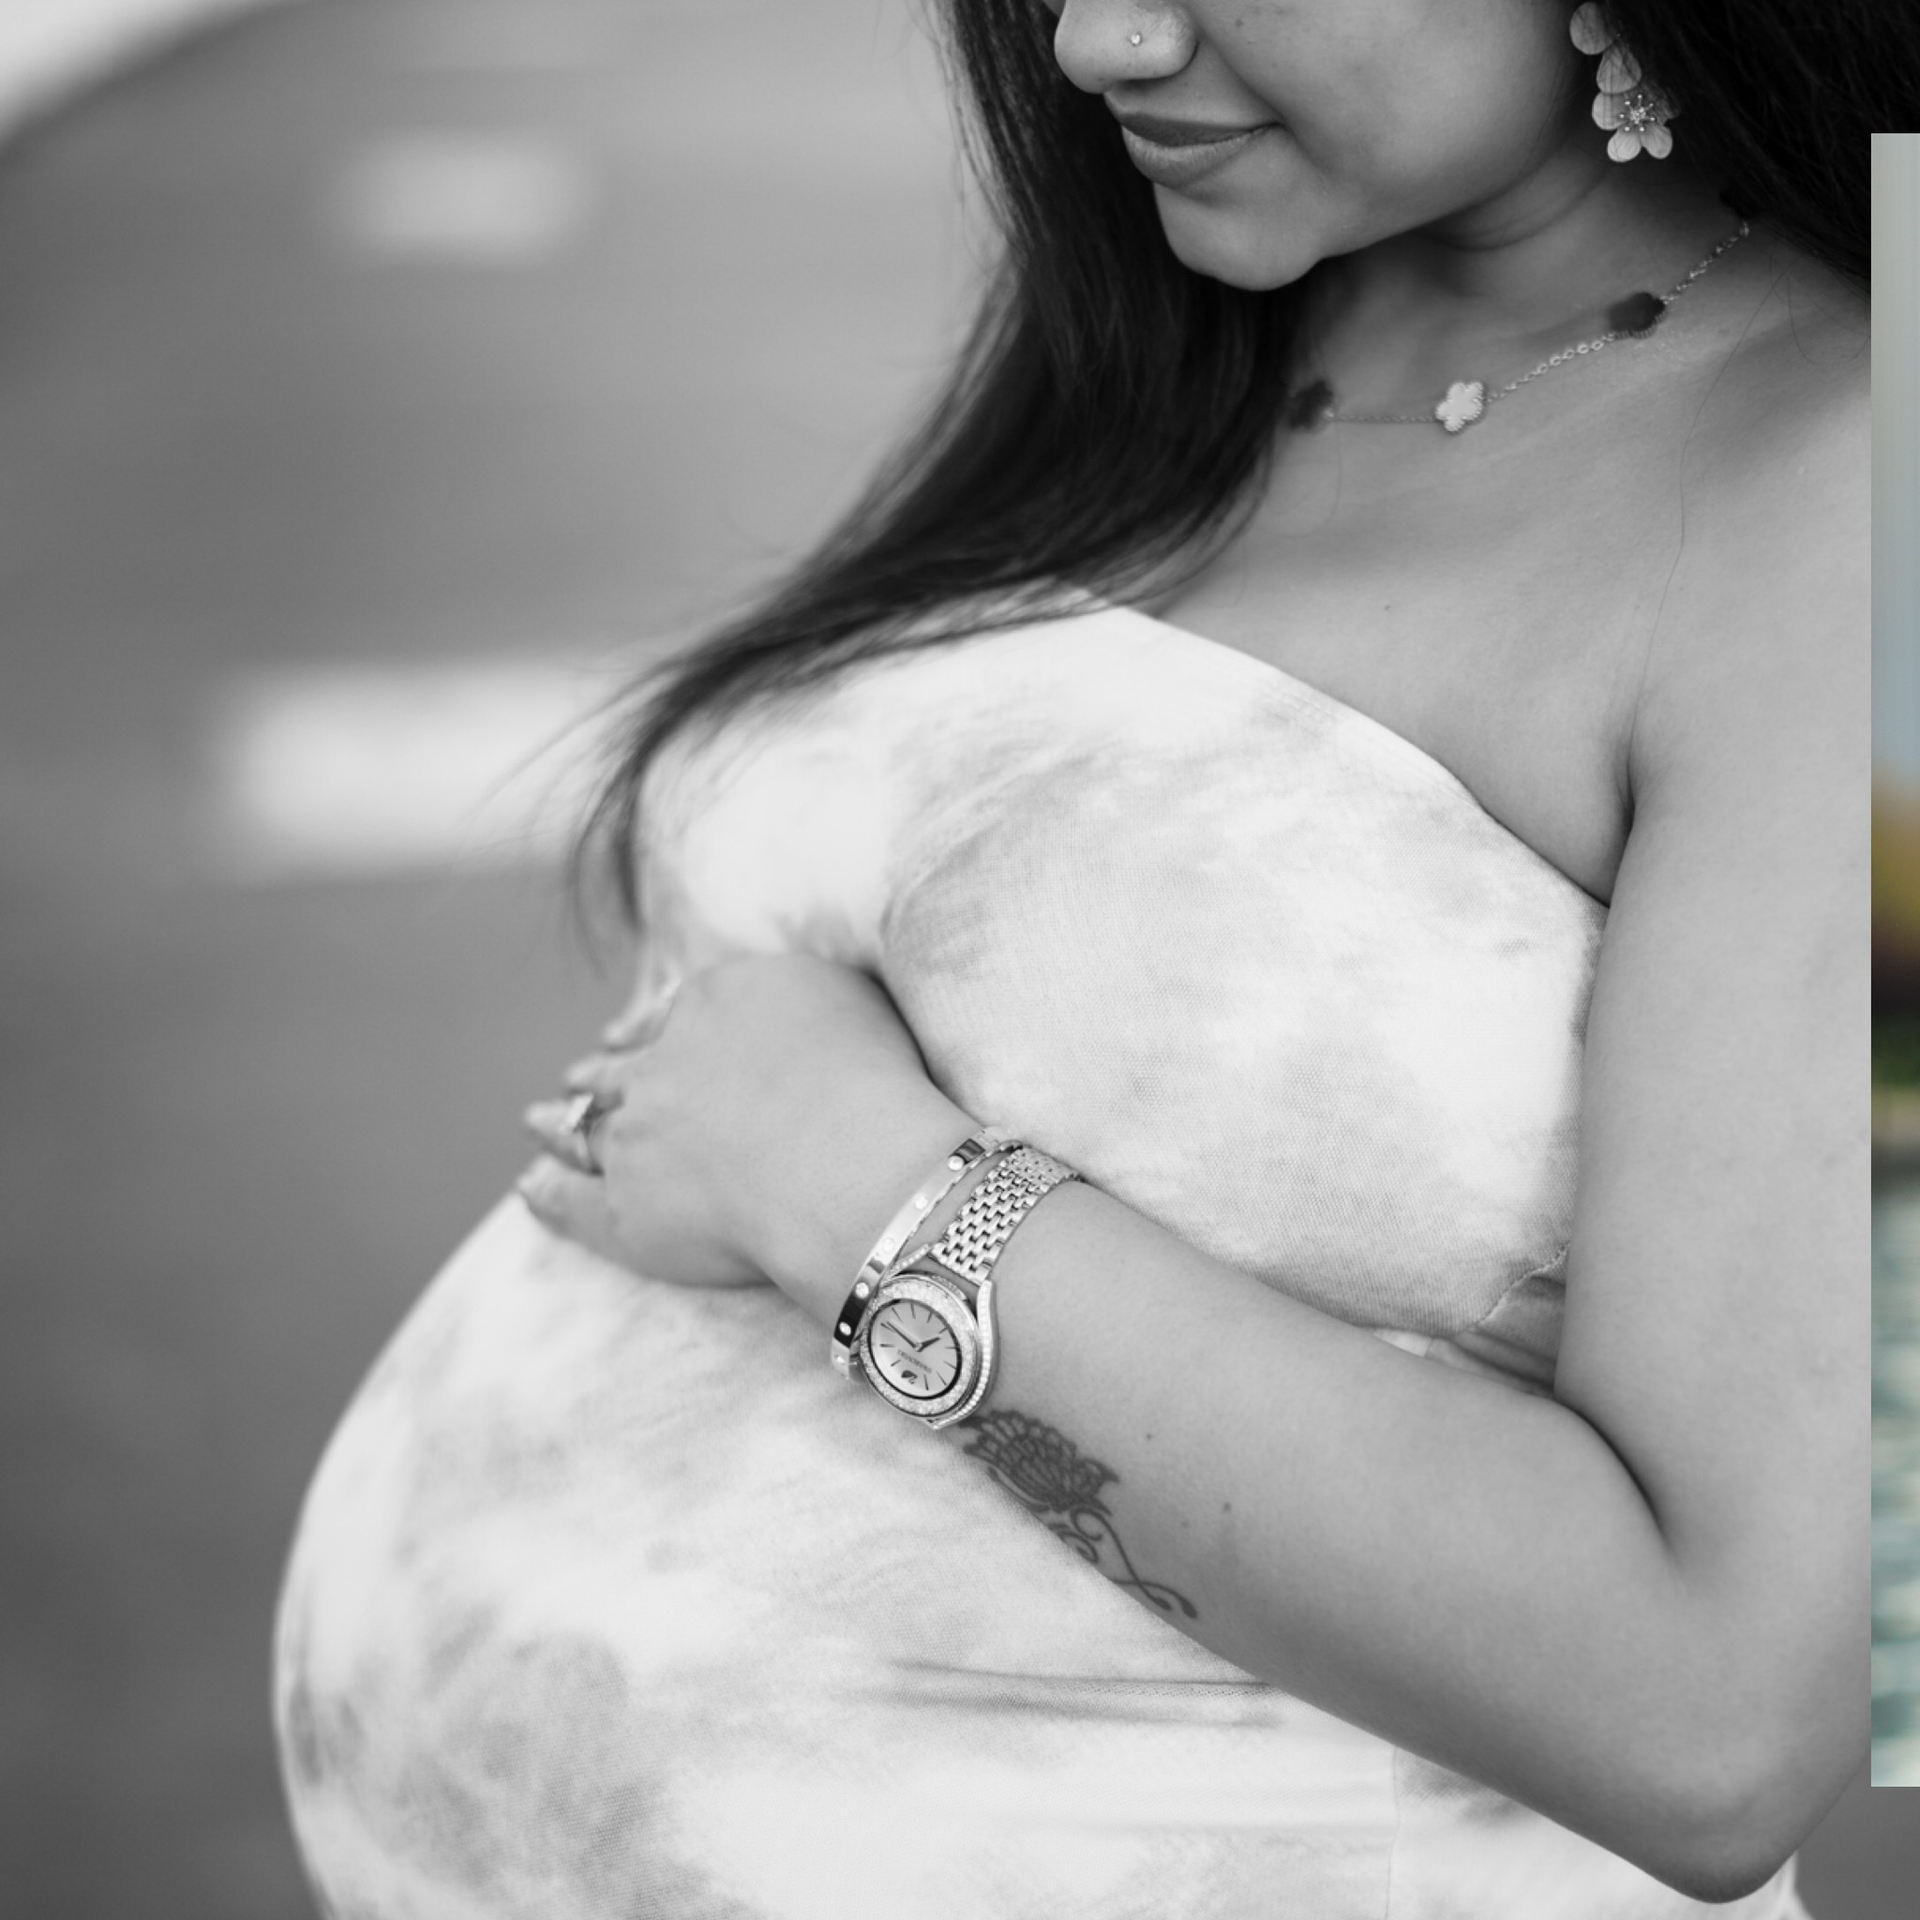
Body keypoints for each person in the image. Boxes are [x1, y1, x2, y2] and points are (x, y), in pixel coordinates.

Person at [275, 2, 1894, 1914]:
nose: (1095, 39)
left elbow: (1711, 1722)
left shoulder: (1846, 496)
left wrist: (867, 1200)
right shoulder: (1215, 335)